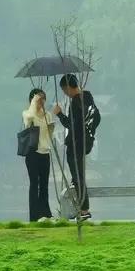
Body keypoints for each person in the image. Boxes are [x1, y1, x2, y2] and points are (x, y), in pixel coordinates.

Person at [53, 74, 95, 222]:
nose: (65, 94)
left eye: (65, 90)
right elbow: (97, 118)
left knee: (78, 177)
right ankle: (82, 208)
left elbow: (70, 124)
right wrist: (89, 133)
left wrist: (59, 114)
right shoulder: (88, 98)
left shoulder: (76, 102)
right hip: (85, 143)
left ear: (67, 87)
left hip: (75, 144)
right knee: (79, 177)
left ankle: (84, 210)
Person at [22, 88, 54, 222]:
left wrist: (51, 128)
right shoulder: (27, 113)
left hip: (45, 153)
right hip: (33, 154)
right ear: (32, 100)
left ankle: (45, 214)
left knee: (45, 184)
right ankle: (34, 216)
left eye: (43, 99)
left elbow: (49, 135)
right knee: (34, 184)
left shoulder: (48, 115)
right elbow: (28, 119)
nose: (41, 102)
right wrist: (34, 103)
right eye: (38, 99)